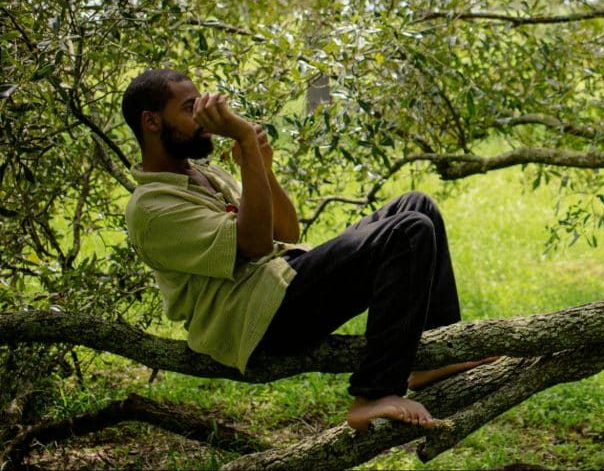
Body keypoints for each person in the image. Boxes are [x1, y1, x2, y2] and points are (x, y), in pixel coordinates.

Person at [122, 69, 487, 432]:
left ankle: (431, 358)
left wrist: (261, 168)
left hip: (282, 280)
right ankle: (374, 394)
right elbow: (254, 245)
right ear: (152, 122)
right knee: (408, 233)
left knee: (417, 206)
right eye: (190, 108)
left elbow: (285, 231)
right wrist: (247, 141)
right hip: (258, 318)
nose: (204, 118)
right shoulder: (151, 208)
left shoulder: (204, 173)